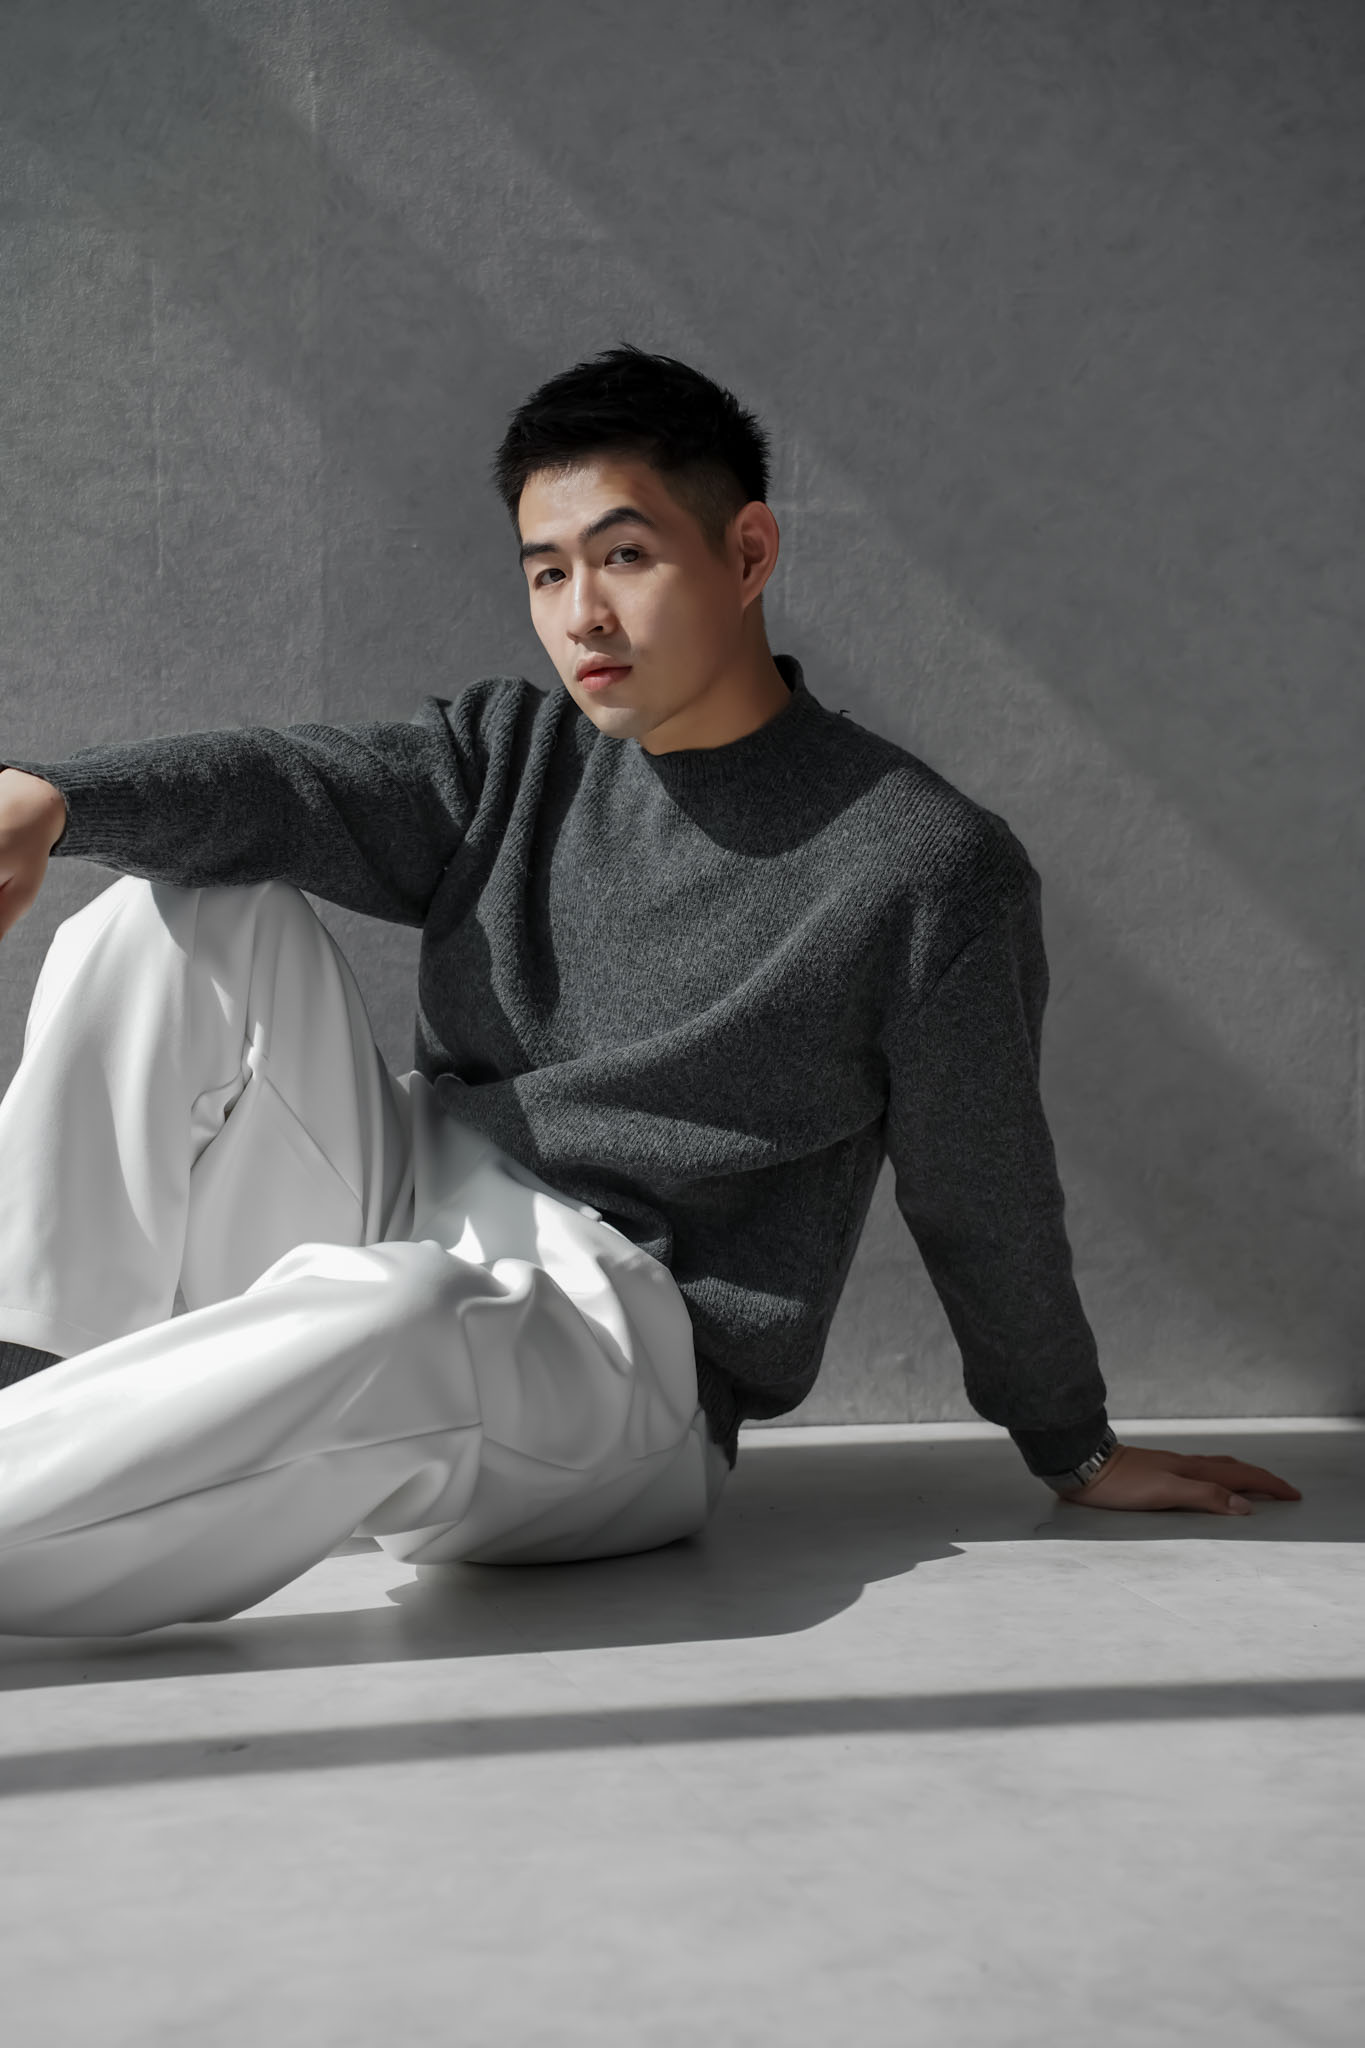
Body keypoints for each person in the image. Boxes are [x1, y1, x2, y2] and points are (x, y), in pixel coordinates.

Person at [0, 344, 1300, 1635]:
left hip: (624, 1360)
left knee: (400, 1308)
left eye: (624, 556)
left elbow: (982, 1190)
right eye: (547, 572)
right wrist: (51, 797)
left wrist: (1072, 1443)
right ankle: (25, 1385)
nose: (582, 614)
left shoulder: (923, 867)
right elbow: (288, 786)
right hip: (413, 1212)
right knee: (179, 917)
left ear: (747, 552)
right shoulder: (511, 758)